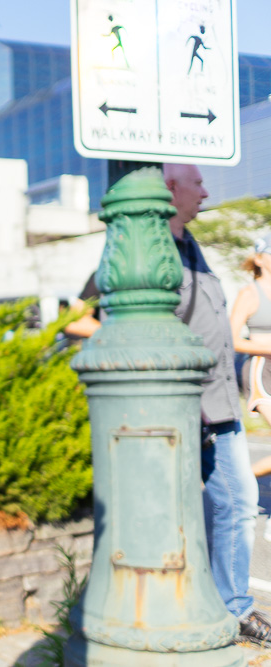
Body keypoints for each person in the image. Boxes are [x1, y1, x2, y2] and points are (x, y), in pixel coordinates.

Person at [164, 163, 269, 644]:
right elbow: (88, 317)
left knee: (233, 504)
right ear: (171, 189)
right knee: (223, 506)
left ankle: (229, 608)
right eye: (198, 183)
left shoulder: (193, 246)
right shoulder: (150, 251)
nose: (207, 191)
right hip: (191, 408)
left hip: (221, 403)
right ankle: (226, 610)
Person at [230, 235, 271, 485]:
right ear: (259, 258)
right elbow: (231, 339)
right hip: (262, 371)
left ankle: (234, 482)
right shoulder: (249, 294)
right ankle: (233, 484)